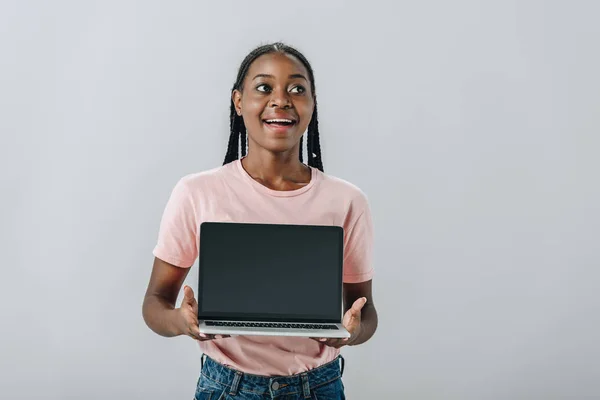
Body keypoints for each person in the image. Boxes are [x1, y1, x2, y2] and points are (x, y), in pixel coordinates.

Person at [142, 42, 378, 400]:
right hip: (227, 388)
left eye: (297, 89)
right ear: (239, 102)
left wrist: (352, 332)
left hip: (319, 387)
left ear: (312, 105)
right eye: (264, 88)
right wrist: (181, 321)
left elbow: (366, 311)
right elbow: (155, 302)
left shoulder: (347, 200)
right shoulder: (197, 192)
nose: (281, 100)